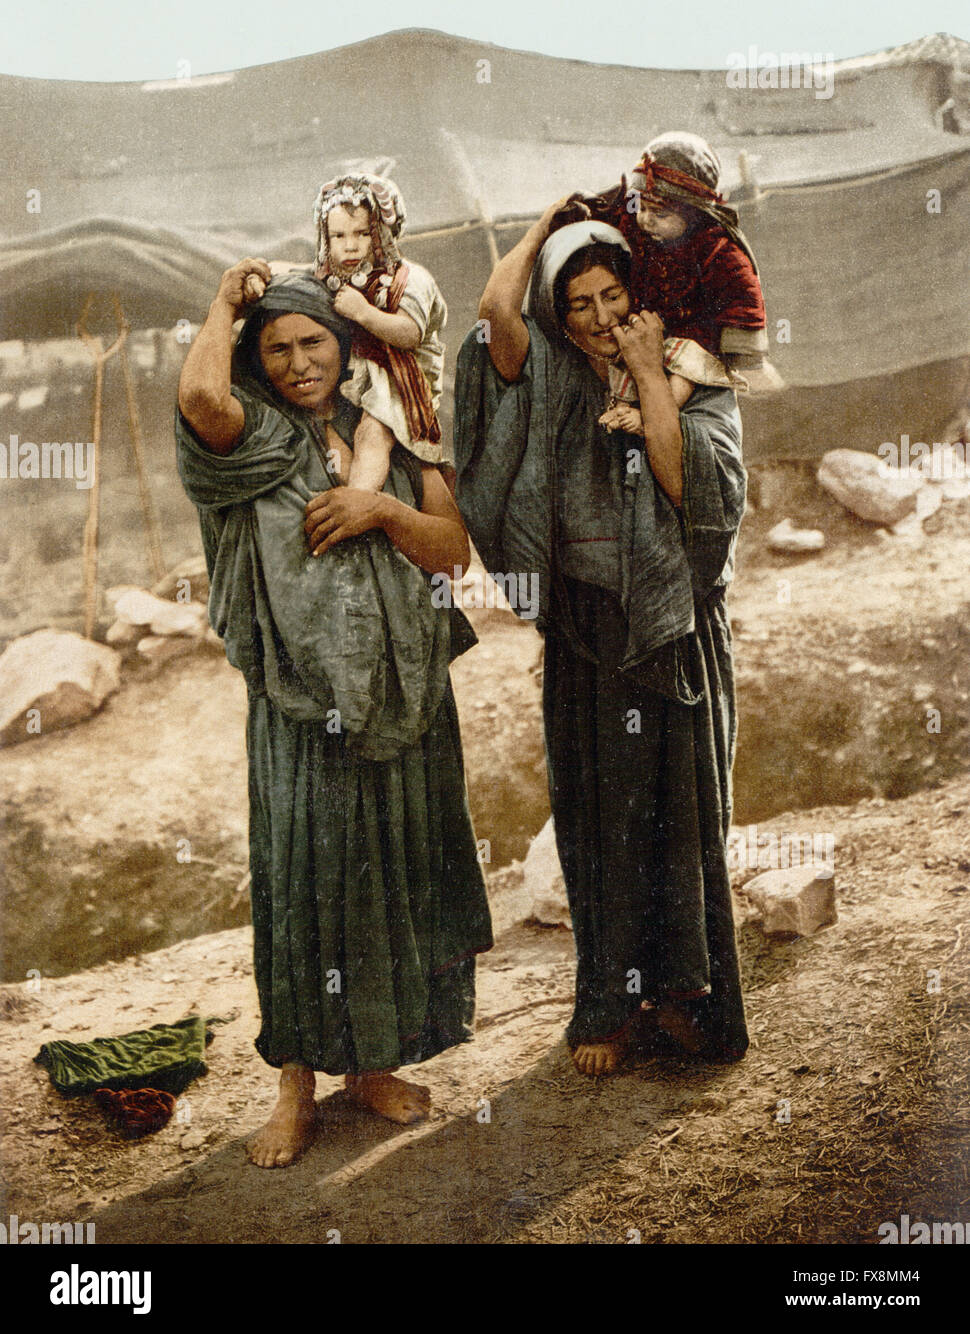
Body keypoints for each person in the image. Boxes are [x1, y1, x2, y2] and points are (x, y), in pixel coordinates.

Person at [176, 258, 492, 1166]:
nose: (297, 361)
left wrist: (375, 511)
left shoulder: (394, 423)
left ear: (344, 342)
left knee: (392, 875)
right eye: (274, 348)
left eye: (313, 340)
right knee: (310, 885)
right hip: (302, 704)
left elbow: (450, 555)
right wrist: (223, 305)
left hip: (404, 688)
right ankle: (296, 1087)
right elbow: (200, 397)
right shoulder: (250, 437)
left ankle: (372, 1066)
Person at [454, 212, 749, 1078]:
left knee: (681, 820)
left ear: (640, 293)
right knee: (598, 819)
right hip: (587, 627)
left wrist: (652, 374)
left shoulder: (696, 371)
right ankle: (610, 1007)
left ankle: (689, 998)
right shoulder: (545, 373)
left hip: (672, 625)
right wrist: (554, 220)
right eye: (575, 299)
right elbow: (492, 318)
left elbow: (690, 486)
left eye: (611, 293)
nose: (594, 315)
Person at [552, 131, 768, 378]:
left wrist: (738, 348)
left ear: (693, 212)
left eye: (660, 214)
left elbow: (740, 294)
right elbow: (616, 209)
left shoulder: (714, 250)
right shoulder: (635, 221)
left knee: (684, 378)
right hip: (637, 333)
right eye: (642, 208)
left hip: (693, 344)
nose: (646, 219)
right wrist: (580, 212)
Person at [312, 172, 447, 492]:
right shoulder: (333, 277)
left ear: (382, 234)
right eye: (339, 236)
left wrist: (364, 312)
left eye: (362, 234)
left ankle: (358, 504)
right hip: (352, 377)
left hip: (400, 378)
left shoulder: (410, 280)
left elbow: (409, 333)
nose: (350, 246)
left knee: (371, 433)